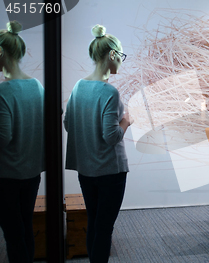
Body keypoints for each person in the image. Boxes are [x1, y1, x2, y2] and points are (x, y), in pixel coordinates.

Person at [64, 24, 132, 262]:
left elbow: (67, 124)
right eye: (121, 56)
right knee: (104, 228)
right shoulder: (110, 92)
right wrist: (126, 120)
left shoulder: (78, 87)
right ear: (112, 55)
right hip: (110, 172)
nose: (121, 62)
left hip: (86, 169)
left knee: (93, 222)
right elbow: (111, 136)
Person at [0, 21, 45, 263]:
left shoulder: (3, 92)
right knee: (26, 226)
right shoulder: (37, 86)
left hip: (7, 175)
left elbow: (3, 137)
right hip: (31, 171)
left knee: (13, 233)